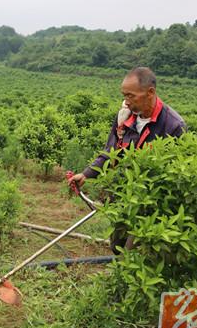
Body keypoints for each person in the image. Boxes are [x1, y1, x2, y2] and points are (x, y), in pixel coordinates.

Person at [67, 67, 186, 253]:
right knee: (117, 246)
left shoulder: (173, 126)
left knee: (132, 253)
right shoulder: (124, 116)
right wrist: (86, 174)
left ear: (150, 93)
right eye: (124, 96)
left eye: (131, 96)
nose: (127, 101)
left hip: (149, 204)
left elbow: (176, 173)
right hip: (123, 197)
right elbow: (111, 151)